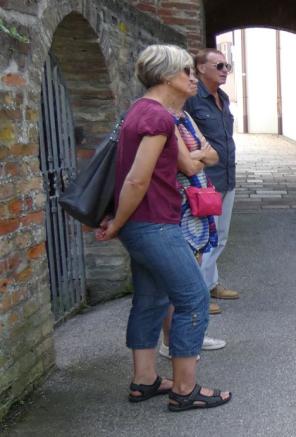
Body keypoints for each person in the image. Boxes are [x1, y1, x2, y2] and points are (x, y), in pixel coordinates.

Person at [96, 44, 231, 411]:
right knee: (193, 298)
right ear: (167, 75)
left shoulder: (142, 112)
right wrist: (117, 223)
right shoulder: (158, 118)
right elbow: (137, 181)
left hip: (144, 225)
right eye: (187, 71)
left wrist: (121, 225)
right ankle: (185, 389)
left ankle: (144, 380)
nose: (192, 77)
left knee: (151, 300)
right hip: (155, 224)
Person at [159, 102, 227, 359]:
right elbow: (186, 166)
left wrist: (194, 155)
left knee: (194, 273)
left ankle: (191, 337)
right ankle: (173, 343)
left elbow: (213, 156)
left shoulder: (184, 116)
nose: (192, 80)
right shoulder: (164, 118)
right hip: (177, 203)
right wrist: (197, 155)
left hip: (195, 204)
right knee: (178, 280)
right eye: (186, 73)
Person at [183, 48, 240, 313]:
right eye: (218, 66)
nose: (224, 70)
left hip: (227, 176)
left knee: (222, 235)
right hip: (206, 181)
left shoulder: (223, 98)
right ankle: (200, 294)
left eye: (226, 66)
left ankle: (212, 282)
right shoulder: (192, 101)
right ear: (200, 68)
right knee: (206, 237)